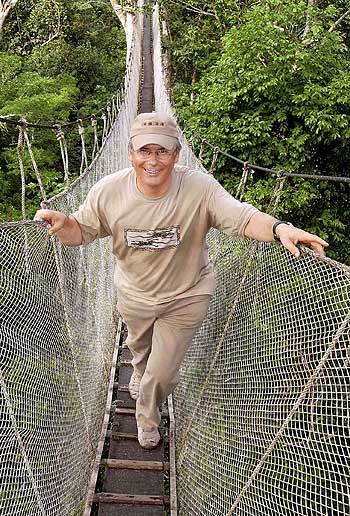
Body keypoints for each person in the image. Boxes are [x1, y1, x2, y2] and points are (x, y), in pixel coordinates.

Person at [34, 112, 328, 449]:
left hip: (187, 295)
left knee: (162, 372)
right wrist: (63, 225)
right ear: (130, 153)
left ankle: (147, 415)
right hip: (135, 294)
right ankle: (142, 378)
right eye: (145, 151)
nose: (153, 161)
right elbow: (80, 232)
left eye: (163, 151)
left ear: (176, 154)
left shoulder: (199, 188)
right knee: (140, 352)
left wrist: (279, 229)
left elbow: (242, 217)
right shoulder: (108, 191)